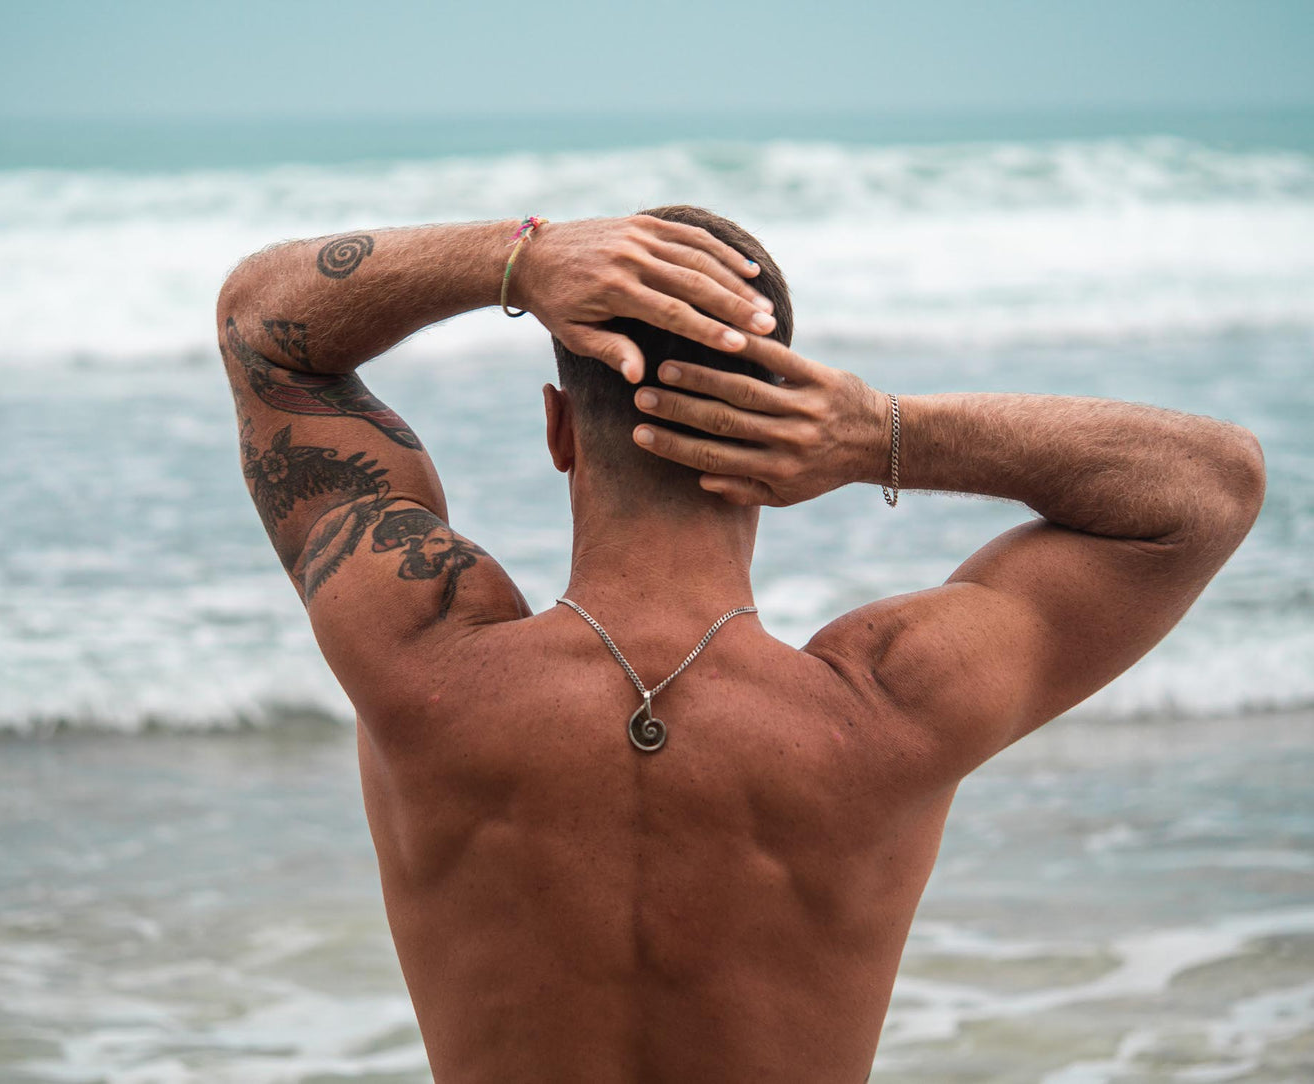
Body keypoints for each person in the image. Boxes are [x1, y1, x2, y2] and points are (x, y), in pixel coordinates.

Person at [215, 206, 1264, 1083]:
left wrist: (519, 258)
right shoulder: (885, 708)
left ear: (557, 428)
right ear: (780, 426)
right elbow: (1209, 487)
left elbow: (260, 324)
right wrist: (883, 433)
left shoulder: (419, 651)